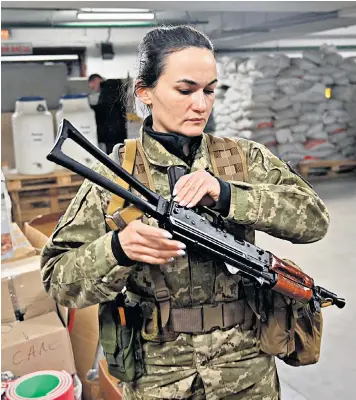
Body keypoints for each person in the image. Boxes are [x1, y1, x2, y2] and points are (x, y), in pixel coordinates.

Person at [41, 26, 330, 399]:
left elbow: (314, 219)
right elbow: (57, 279)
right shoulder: (114, 174)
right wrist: (117, 249)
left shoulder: (243, 160)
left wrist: (230, 196)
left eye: (209, 90)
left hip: (245, 370)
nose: (201, 105)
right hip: (159, 377)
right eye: (185, 90)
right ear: (145, 91)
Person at [88, 73, 128, 154]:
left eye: (93, 86)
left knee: (115, 156)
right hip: (114, 131)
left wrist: (91, 109)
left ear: (96, 80)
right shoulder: (109, 89)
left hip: (113, 132)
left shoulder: (109, 87)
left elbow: (106, 109)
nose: (94, 89)